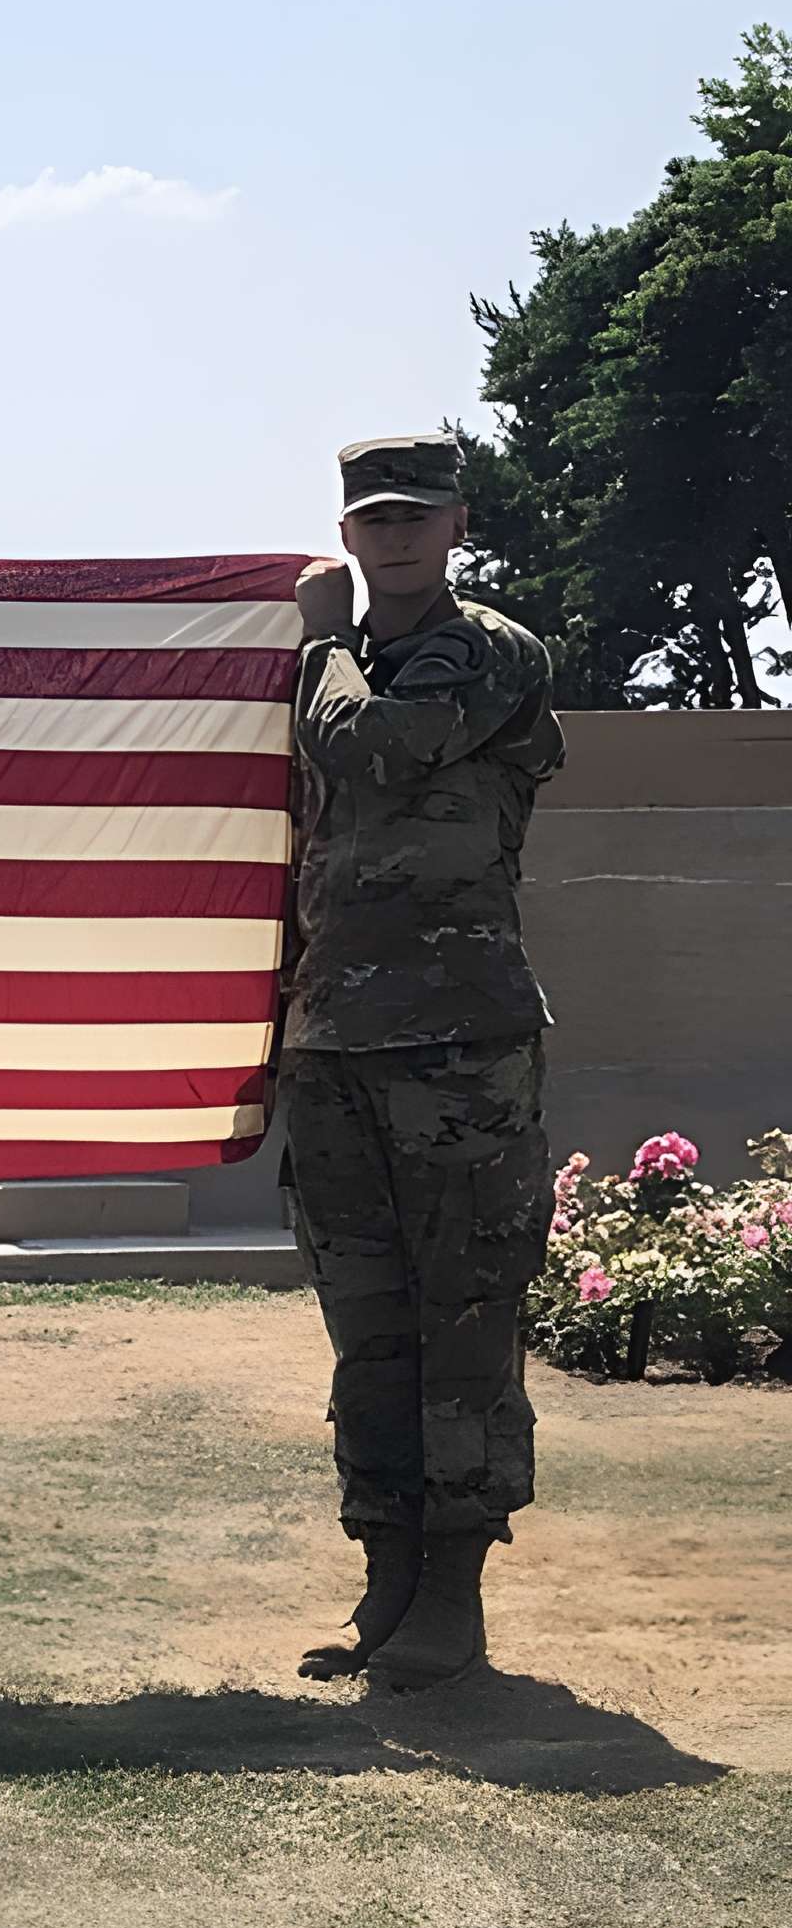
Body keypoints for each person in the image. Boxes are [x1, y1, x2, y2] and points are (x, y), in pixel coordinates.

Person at [282, 435, 566, 1690]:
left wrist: (313, 640)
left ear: (455, 522)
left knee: (462, 1317)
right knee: (368, 1327)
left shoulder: (486, 650)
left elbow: (373, 746)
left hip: (456, 1041)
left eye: (412, 514)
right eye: (368, 517)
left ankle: (454, 1588)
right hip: (334, 1036)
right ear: (347, 531)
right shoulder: (338, 663)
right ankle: (383, 1577)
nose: (389, 534)